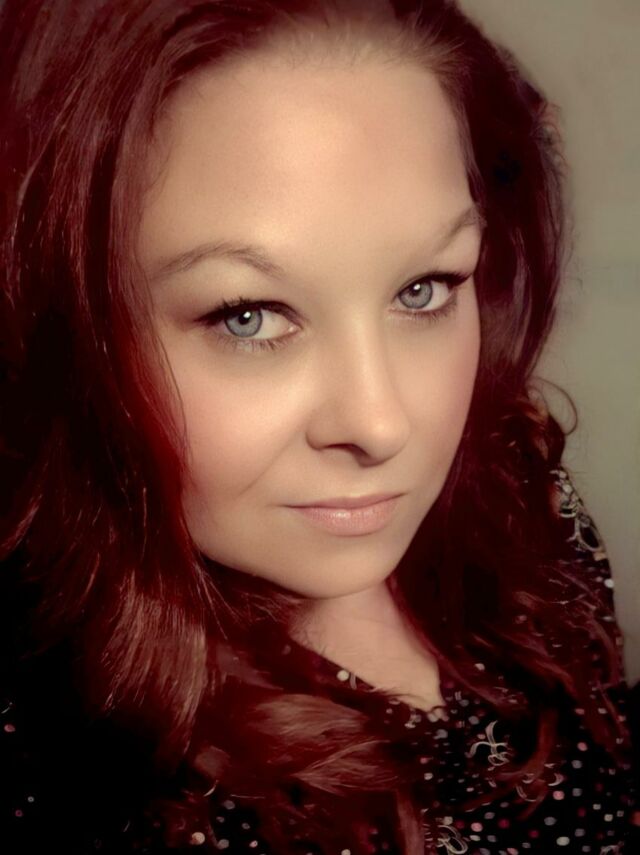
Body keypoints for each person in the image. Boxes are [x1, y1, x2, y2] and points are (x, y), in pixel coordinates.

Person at [0, 0, 636, 853]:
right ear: (63, 328)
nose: (382, 424)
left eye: (424, 289)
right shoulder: (75, 772)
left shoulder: (521, 485)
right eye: (249, 315)